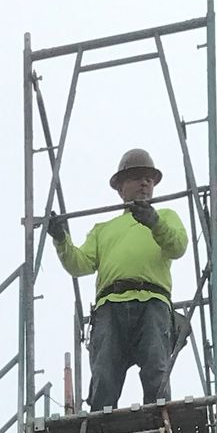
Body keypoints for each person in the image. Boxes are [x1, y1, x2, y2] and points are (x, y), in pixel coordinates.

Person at [47, 148, 188, 413]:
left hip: (152, 301)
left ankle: (159, 421)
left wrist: (154, 222)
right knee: (104, 375)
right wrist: (61, 239)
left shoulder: (166, 217)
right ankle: (101, 427)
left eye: (149, 178)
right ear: (121, 187)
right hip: (111, 304)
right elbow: (79, 264)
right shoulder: (105, 229)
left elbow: (178, 247)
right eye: (136, 177)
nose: (145, 183)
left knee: (156, 372)